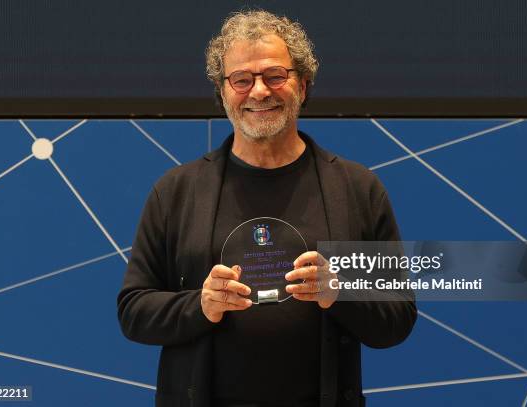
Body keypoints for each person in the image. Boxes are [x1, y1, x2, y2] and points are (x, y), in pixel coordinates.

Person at [117, 10, 416, 407]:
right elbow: (134, 311)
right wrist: (199, 304)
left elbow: (396, 320)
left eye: (275, 76)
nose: (259, 92)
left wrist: (340, 292)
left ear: (304, 85)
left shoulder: (356, 189)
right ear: (223, 93)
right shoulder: (176, 192)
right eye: (242, 79)